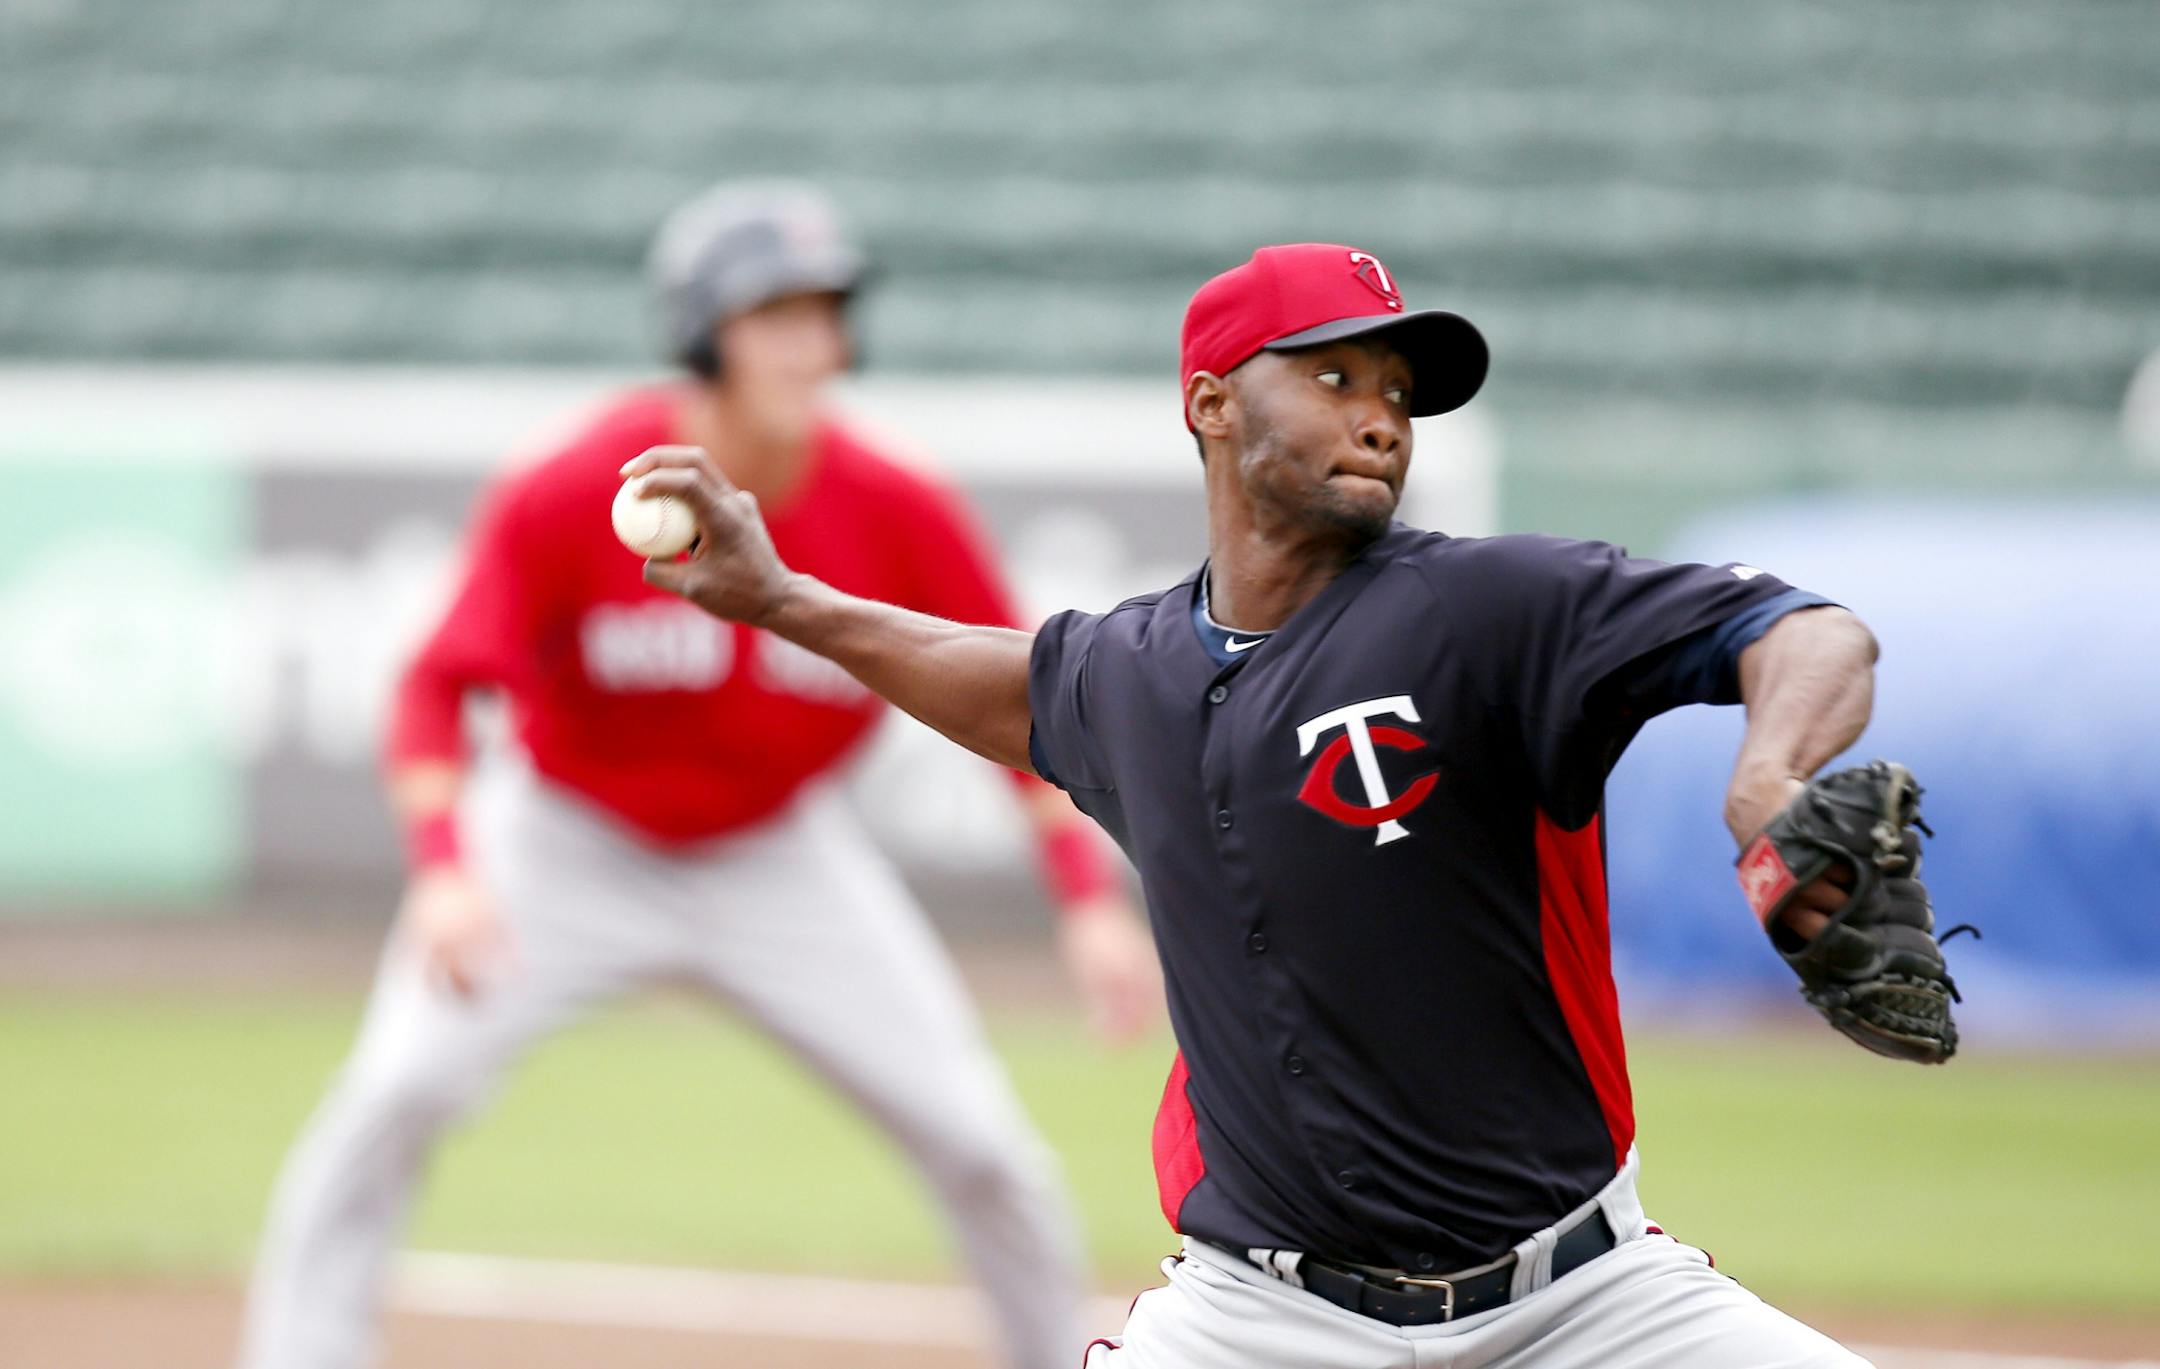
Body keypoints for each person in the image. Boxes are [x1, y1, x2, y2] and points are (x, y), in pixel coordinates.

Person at [623, 241, 1908, 1367]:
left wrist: (1769, 777)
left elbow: (1801, 627)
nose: (1382, 417)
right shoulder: (1127, 675)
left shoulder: (1491, 610)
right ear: (1213, 403)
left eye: (1400, 392)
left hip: (1581, 1303)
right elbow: (986, 676)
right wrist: (780, 598)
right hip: (1262, 1319)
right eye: (1336, 376)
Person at [237, 182, 1160, 1369]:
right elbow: (431, 688)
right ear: (699, 330)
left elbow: (1027, 700)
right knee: (391, 1099)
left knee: (982, 1145)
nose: (806, 340)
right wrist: (447, 871)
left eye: (822, 312)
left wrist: (1086, 899)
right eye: (771, 311)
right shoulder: (578, 485)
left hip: (780, 854)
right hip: (564, 839)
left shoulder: (892, 505)